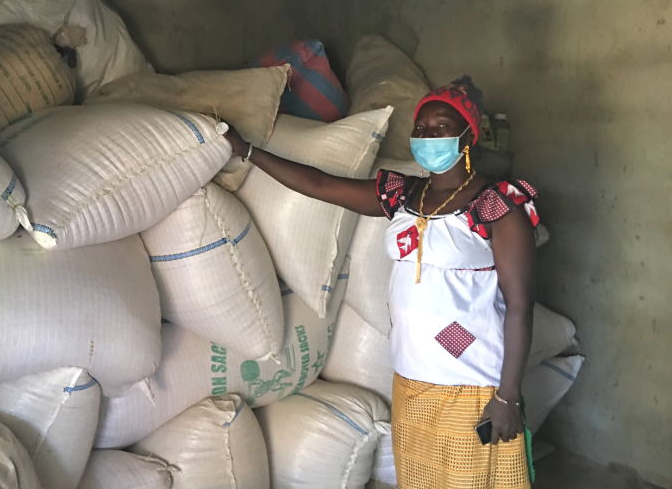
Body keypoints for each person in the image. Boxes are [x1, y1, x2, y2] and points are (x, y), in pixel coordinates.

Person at [224, 76, 538, 489]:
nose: (427, 136)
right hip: (411, 380)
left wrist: (507, 395)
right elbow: (321, 185)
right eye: (421, 128)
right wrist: (248, 152)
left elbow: (520, 305)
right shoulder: (404, 196)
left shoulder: (496, 207)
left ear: (468, 136)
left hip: (471, 385)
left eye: (441, 127)